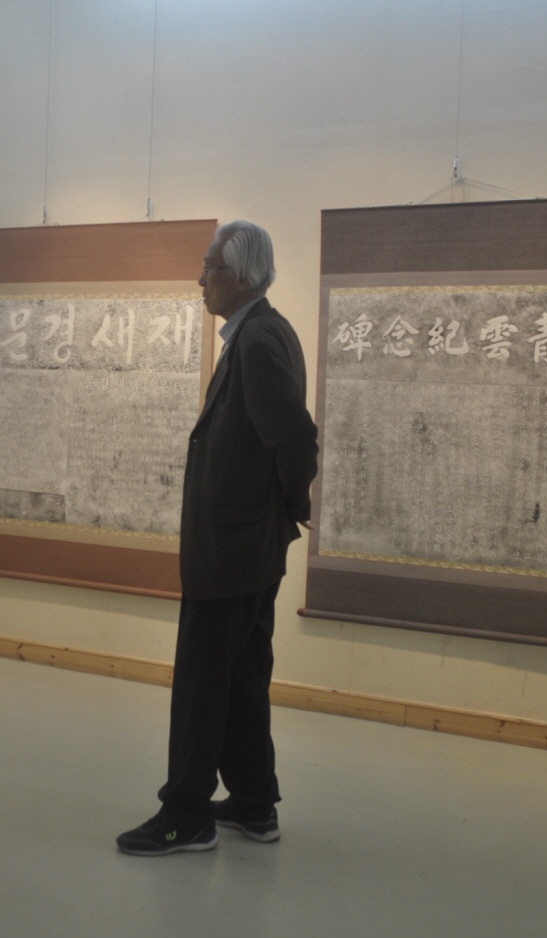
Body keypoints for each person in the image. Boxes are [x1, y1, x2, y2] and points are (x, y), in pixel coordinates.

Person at [117, 221, 318, 856]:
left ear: (242, 276)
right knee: (242, 674)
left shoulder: (257, 340)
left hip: (233, 546)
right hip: (248, 542)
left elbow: (295, 436)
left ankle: (186, 816)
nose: (199, 279)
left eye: (210, 268)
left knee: (203, 682)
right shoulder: (265, 331)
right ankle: (254, 803)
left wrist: (289, 503)